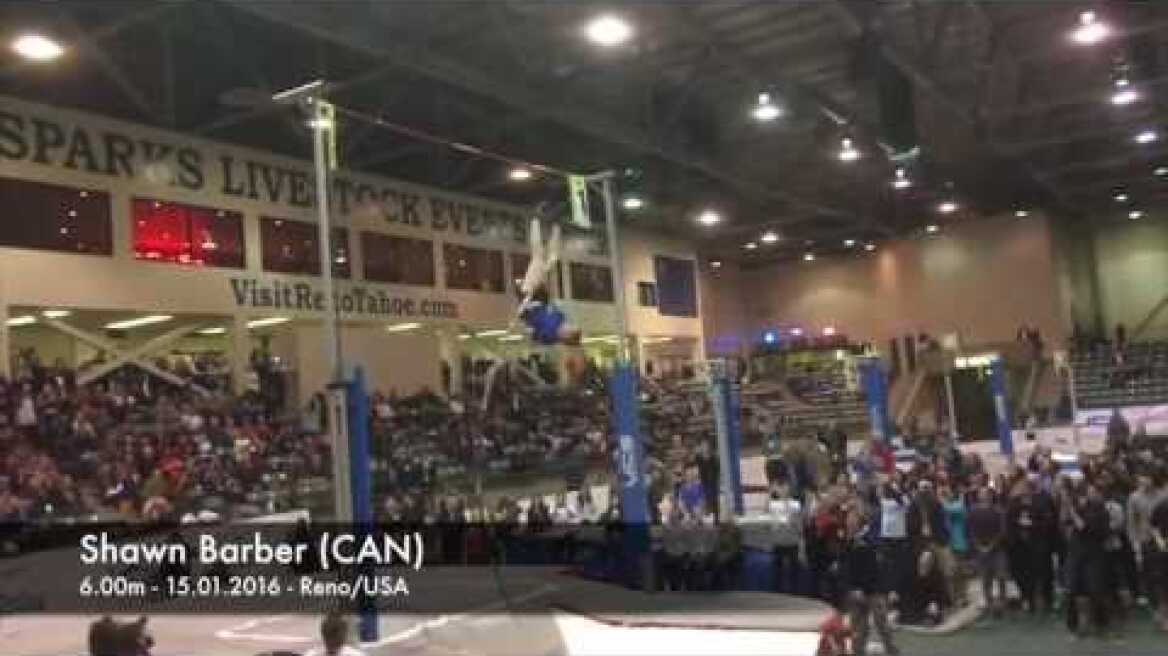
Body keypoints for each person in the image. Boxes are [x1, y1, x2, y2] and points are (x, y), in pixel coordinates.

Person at [842, 505, 899, 656]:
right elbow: (848, 567)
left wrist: (865, 589)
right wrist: (852, 588)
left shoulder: (870, 540)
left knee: (882, 626)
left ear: (860, 521)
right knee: (858, 630)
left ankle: (892, 652)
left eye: (852, 519)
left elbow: (874, 568)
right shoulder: (849, 540)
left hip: (874, 590)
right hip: (855, 591)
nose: (848, 522)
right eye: (848, 519)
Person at [967, 486, 1008, 616]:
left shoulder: (998, 511)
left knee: (1001, 575)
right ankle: (989, 601)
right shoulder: (973, 511)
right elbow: (970, 530)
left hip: (997, 549)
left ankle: (1002, 601)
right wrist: (978, 546)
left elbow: (1002, 530)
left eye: (986, 493)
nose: (984, 495)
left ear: (991, 495)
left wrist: (991, 546)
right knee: (985, 578)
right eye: (981, 493)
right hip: (980, 549)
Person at [768, 481, 804, 594]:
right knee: (777, 571)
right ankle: (777, 592)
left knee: (794, 571)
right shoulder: (773, 505)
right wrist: (770, 493)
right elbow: (768, 517)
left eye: (785, 487)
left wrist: (799, 535)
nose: (783, 490)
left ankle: (795, 592)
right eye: (781, 487)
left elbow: (799, 525)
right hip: (778, 541)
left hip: (792, 541)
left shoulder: (795, 504)